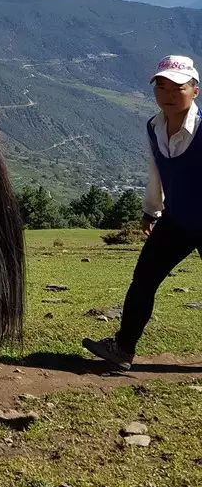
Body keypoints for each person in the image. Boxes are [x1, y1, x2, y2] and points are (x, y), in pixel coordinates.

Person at [82, 54, 202, 370]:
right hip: (176, 219)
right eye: (161, 87)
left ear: (195, 90)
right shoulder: (153, 127)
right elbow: (156, 170)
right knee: (144, 279)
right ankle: (123, 349)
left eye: (178, 88)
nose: (168, 95)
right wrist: (151, 211)